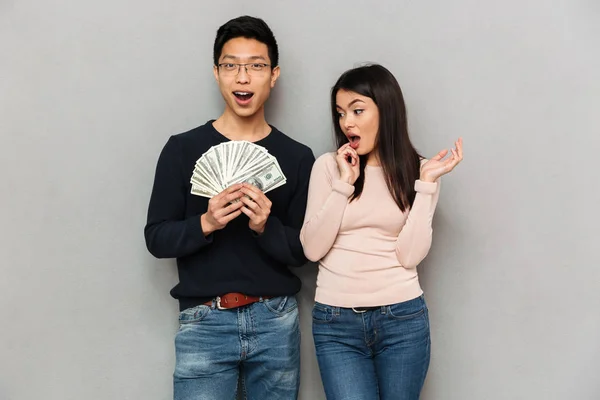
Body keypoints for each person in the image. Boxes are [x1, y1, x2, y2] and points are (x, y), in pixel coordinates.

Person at [144, 15, 315, 400]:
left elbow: (304, 251)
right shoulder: (182, 149)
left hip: (275, 320)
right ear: (217, 73)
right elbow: (156, 237)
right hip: (203, 320)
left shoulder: (298, 157)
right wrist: (205, 222)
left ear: (273, 75)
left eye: (256, 65)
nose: (243, 77)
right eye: (231, 65)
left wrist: (264, 226)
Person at [300, 63, 463, 400]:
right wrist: (344, 185)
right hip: (336, 323)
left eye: (358, 110)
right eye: (341, 112)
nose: (347, 122)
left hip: (402, 318)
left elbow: (410, 255)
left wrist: (427, 186)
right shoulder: (328, 167)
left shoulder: (419, 171)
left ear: (386, 111)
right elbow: (312, 249)